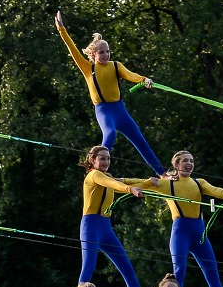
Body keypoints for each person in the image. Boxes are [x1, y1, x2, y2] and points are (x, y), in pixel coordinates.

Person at [55, 10, 163, 175]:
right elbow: (72, 49)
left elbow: (130, 75)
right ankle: (96, 169)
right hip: (104, 111)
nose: (106, 55)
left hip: (120, 109)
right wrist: (62, 29)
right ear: (93, 54)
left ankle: (161, 173)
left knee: (140, 139)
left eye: (107, 51)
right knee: (110, 133)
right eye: (101, 52)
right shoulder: (88, 68)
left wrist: (144, 80)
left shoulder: (115, 66)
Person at [137, 150, 223, 287]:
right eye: (185, 161)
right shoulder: (168, 184)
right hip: (181, 233)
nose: (189, 163)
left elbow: (216, 190)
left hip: (200, 235)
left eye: (191, 160)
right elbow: (140, 182)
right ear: (177, 165)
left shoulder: (199, 183)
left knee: (212, 272)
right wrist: (121, 184)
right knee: (179, 271)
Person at [75, 146, 151, 287]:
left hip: (106, 228)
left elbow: (127, 181)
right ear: (92, 161)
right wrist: (131, 189)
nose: (106, 162)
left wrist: (149, 183)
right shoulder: (94, 175)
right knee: (89, 266)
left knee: (127, 268)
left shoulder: (108, 177)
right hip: (91, 226)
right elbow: (115, 184)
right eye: (102, 158)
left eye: (108, 159)